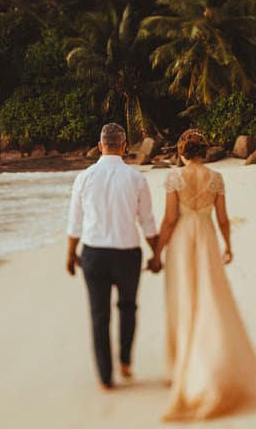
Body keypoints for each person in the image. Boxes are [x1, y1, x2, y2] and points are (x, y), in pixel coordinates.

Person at [151, 129, 256, 420]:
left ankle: (180, 366)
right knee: (209, 295)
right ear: (203, 153)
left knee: (183, 297)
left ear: (182, 153)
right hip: (206, 237)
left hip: (183, 240)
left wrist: (158, 250)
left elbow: (170, 219)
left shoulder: (174, 178)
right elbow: (222, 218)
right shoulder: (216, 179)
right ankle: (206, 360)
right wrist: (228, 245)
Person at [66, 122, 160, 391]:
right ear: (124, 147)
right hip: (127, 253)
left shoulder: (83, 178)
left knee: (99, 315)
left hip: (94, 254)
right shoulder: (136, 179)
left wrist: (70, 254)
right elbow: (147, 222)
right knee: (128, 307)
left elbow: (74, 222)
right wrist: (156, 254)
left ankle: (105, 378)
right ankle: (126, 362)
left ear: (99, 146)